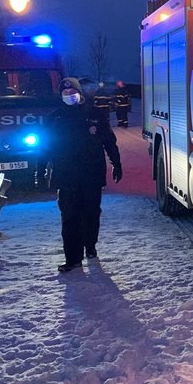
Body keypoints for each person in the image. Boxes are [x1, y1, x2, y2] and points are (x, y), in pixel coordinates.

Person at [47, 77, 123, 273]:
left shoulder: (95, 115)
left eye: (72, 93)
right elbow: (46, 147)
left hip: (92, 174)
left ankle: (90, 246)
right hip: (66, 176)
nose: (69, 96)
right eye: (65, 94)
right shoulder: (55, 118)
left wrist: (116, 163)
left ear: (80, 93)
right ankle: (72, 258)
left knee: (90, 213)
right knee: (69, 217)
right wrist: (41, 169)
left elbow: (108, 141)